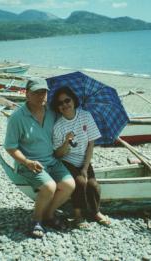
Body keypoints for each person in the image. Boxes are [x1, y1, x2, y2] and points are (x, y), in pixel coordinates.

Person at [4, 78, 75, 238]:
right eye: (36, 92)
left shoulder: (52, 112)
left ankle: (48, 215)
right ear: (26, 94)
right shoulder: (17, 118)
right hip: (29, 163)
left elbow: (68, 120)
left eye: (44, 92)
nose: (41, 96)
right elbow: (10, 147)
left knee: (69, 184)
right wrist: (27, 162)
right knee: (49, 187)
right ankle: (36, 220)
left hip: (51, 160)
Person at [51, 86, 111, 228]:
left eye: (67, 100)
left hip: (84, 159)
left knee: (93, 185)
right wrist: (66, 142)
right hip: (67, 161)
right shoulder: (58, 126)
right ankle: (78, 215)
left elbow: (91, 143)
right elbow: (57, 154)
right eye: (60, 103)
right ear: (58, 107)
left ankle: (96, 212)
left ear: (73, 100)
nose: (65, 105)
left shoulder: (85, 116)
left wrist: (85, 167)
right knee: (80, 183)